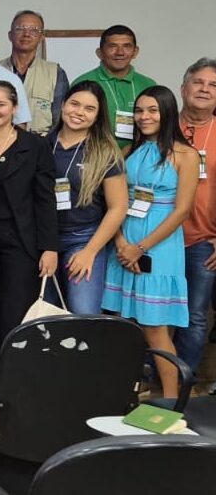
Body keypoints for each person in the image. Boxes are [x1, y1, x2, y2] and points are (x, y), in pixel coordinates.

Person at [104, 86, 197, 399]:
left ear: (167, 111)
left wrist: (139, 248)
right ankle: (122, 394)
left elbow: (183, 210)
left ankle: (171, 400)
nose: (144, 117)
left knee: (155, 328)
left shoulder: (186, 154)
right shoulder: (129, 152)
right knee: (123, 325)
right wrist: (119, 241)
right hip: (123, 241)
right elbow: (113, 201)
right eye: (140, 111)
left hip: (159, 243)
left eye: (152, 110)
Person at [0, 81, 57, 359]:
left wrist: (50, 247)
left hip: (20, 243)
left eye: (0, 104)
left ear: (15, 108)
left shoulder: (34, 146)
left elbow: (45, 199)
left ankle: (13, 383)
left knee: (13, 315)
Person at [48, 82, 127, 314]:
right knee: (47, 315)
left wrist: (89, 252)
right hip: (44, 241)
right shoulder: (41, 144)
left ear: (97, 116)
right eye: (74, 104)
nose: (79, 112)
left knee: (83, 313)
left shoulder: (105, 152)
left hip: (82, 240)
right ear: (62, 105)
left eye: (89, 108)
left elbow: (118, 208)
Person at [174, 58, 216, 372]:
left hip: (203, 239)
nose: (205, 89)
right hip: (158, 238)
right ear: (183, 87)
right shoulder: (160, 126)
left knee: (195, 315)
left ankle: (182, 381)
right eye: (199, 82)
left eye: (213, 85)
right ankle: (151, 375)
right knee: (152, 312)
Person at [72, 25, 157, 146]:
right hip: (95, 156)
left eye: (127, 46)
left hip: (139, 157)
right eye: (112, 46)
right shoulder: (83, 83)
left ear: (135, 52)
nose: (120, 52)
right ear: (100, 53)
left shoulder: (148, 84)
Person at [0, 10, 69, 136]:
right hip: (0, 143)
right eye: (20, 28)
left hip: (42, 145)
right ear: (10, 35)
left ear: (42, 37)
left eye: (34, 30)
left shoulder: (55, 72)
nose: (26, 34)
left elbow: (61, 120)